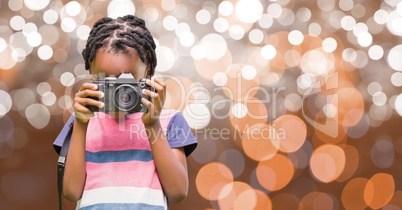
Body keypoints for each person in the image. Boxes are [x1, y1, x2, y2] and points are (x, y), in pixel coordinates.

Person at [62, 15, 197, 209]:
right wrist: (81, 125)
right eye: (107, 82)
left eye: (126, 81)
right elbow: (71, 192)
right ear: (91, 75)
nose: (119, 91)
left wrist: (152, 124)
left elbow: (177, 192)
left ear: (148, 72)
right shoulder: (81, 120)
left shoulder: (170, 121)